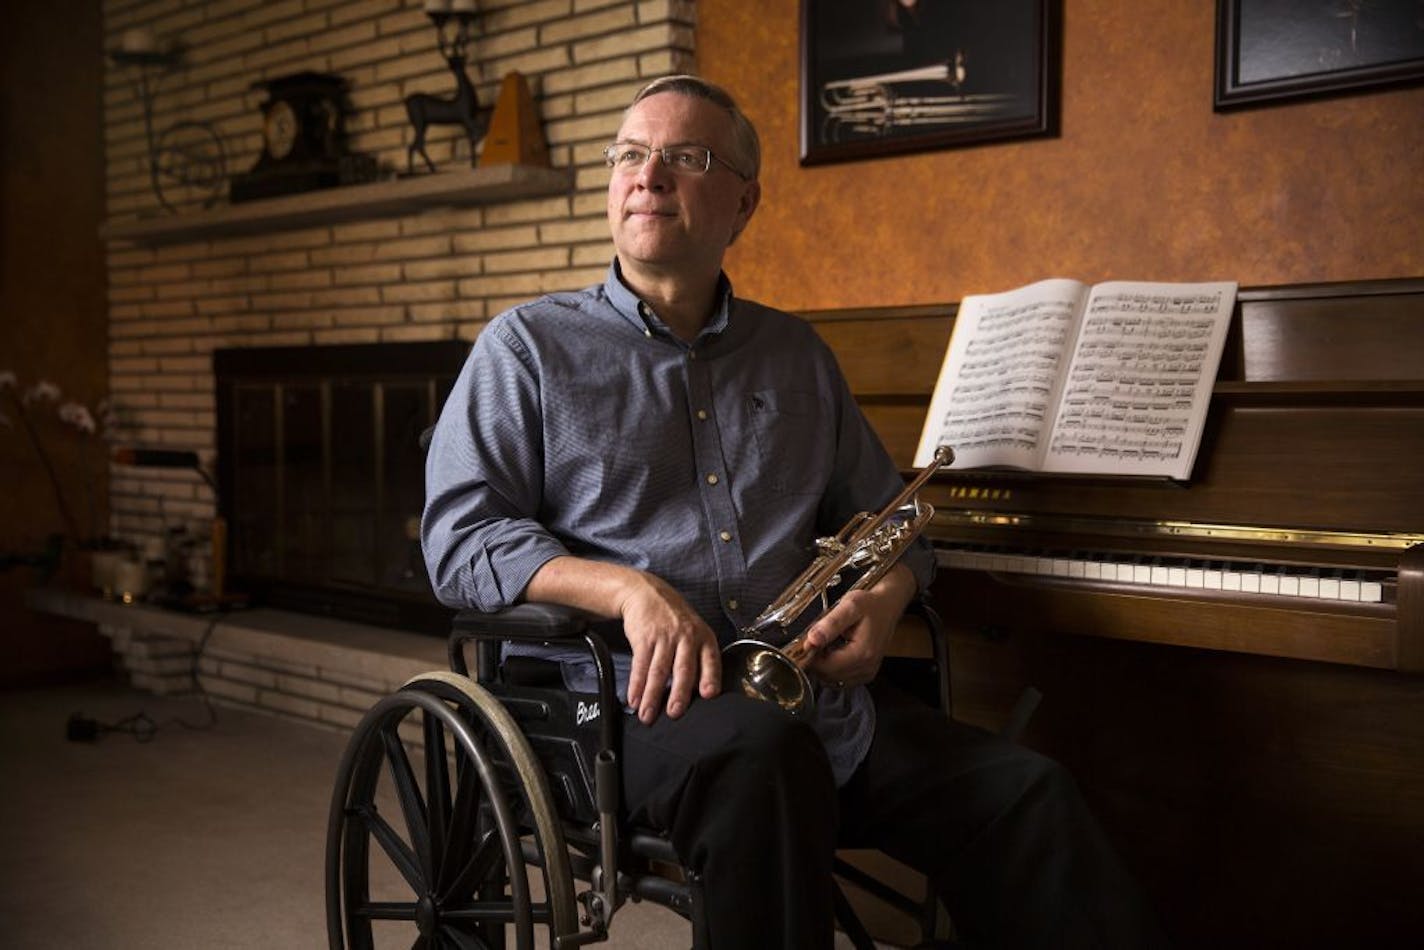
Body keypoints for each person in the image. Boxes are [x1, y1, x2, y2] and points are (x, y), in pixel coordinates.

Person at [422, 74, 1166, 949]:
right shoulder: (526, 347)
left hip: (806, 698)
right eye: (630, 154)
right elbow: (462, 540)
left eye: (684, 157)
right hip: (618, 709)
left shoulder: (798, 355)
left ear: (745, 200)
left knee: (1026, 793)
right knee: (765, 762)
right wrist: (627, 590)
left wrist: (884, 600)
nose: (647, 175)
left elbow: (893, 521)